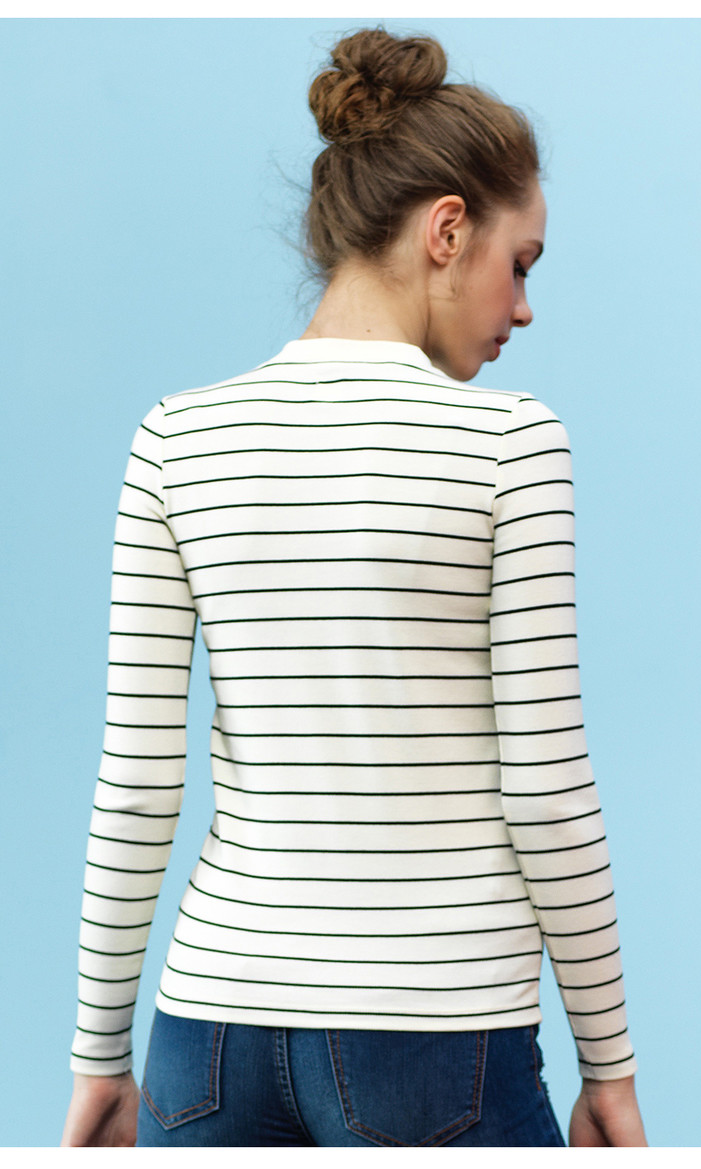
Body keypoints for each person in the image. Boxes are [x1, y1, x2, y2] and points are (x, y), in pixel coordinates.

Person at [62, 27, 647, 1148]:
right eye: (521, 262)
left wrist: (98, 1052)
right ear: (447, 229)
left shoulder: (175, 440)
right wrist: (609, 1063)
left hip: (208, 1034)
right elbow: (547, 790)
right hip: (437, 1033)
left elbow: (136, 785)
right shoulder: (510, 445)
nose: (523, 307)